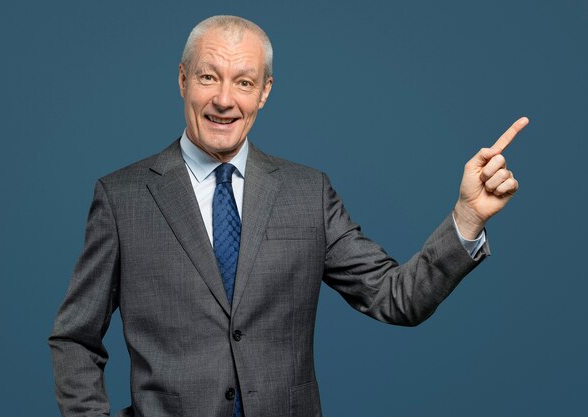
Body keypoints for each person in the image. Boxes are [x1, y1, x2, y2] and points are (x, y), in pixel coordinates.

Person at [48, 15, 528, 417]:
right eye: (208, 76)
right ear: (182, 79)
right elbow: (74, 338)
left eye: (244, 82)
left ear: (265, 92)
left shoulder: (308, 193)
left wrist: (466, 217)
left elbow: (396, 298)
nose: (224, 99)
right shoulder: (123, 197)